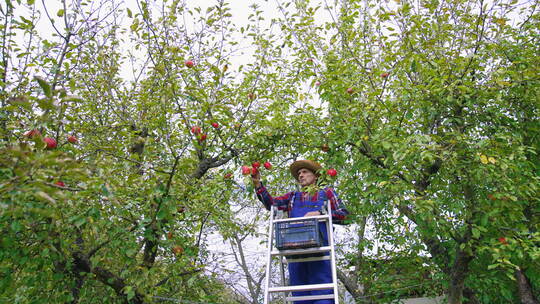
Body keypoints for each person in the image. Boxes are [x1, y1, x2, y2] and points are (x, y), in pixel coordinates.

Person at [251, 160, 349, 304]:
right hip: (295, 251)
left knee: (323, 294)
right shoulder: (292, 197)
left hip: (320, 251)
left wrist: (321, 213)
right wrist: (258, 185)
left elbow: (345, 215)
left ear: (315, 176)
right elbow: (271, 204)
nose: (300, 176)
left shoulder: (326, 193)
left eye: (304, 172)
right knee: (299, 295)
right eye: (299, 174)